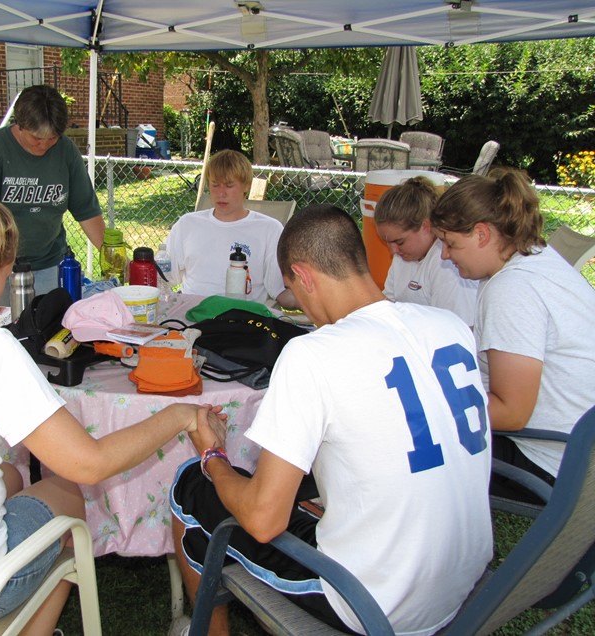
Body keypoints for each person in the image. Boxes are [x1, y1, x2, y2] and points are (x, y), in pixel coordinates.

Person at [0, 188, 225, 635]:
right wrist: (180, 415)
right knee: (66, 493)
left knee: (10, 479)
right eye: (6, 271)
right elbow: (89, 463)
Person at [170, 206, 492, 636]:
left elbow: (265, 521)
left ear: (303, 276)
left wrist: (213, 455)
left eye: (291, 290)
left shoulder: (312, 354)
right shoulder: (450, 325)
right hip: (468, 583)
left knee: (191, 485)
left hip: (376, 602)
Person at [431, 168, 595, 499]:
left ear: (481, 234)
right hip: (580, 450)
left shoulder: (512, 287)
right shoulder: (536, 258)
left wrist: (428, 403)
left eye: (450, 243)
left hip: (553, 461)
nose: (445, 255)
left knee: (409, 438)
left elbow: (511, 413)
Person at [0, 84, 105, 296]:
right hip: (1, 267)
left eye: (52, 138)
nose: (43, 145)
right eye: (36, 138)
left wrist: (109, 254)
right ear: (20, 125)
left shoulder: (66, 150)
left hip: (50, 264)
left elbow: (86, 210)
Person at [165, 149, 297, 309]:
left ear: (246, 186)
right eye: (215, 185)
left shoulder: (269, 229)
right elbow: (165, 277)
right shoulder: (187, 224)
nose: (221, 193)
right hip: (192, 316)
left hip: (244, 320)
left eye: (229, 186)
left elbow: (280, 292)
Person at [375, 176, 479, 327]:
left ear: (425, 226)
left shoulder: (447, 263)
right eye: (387, 243)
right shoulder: (403, 256)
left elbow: (455, 329)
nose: (392, 251)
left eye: (399, 242)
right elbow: (387, 306)